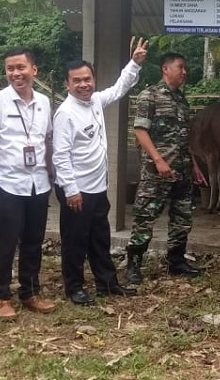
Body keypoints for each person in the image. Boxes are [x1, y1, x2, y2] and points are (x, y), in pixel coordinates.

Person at [52, 38, 149, 305]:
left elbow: (119, 89)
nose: (83, 84)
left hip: (97, 188)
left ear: (93, 79)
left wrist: (134, 63)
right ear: (67, 84)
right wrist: (71, 190)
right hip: (76, 191)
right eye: (77, 81)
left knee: (99, 238)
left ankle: (107, 283)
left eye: (87, 79)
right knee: (75, 241)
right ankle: (74, 288)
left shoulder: (94, 101)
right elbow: (60, 156)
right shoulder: (65, 114)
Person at [0, 47, 55, 319]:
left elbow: (46, 139)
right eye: (10, 68)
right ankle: (0, 296)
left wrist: (52, 172)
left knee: (34, 240)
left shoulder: (44, 102)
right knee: (6, 241)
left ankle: (30, 292)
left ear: (34, 70)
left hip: (38, 183)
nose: (15, 73)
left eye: (20, 67)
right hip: (7, 184)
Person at [125, 52, 207, 284]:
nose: (184, 72)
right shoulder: (149, 96)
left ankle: (177, 262)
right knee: (145, 218)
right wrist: (159, 160)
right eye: (180, 67)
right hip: (156, 173)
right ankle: (134, 265)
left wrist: (194, 166)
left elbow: (184, 138)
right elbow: (140, 131)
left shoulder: (182, 100)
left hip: (182, 171)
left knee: (182, 219)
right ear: (165, 68)